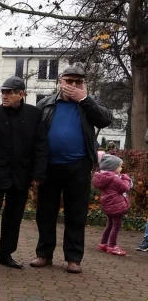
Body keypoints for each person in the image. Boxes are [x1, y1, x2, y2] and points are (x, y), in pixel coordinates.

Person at [30, 64, 112, 274]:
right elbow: (36, 136)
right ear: (60, 81)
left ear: (84, 84)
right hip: (49, 166)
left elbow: (105, 118)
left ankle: (73, 258)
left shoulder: (89, 103)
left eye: (78, 82)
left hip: (78, 166)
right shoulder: (45, 103)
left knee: (76, 213)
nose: (73, 85)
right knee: (45, 212)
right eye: (69, 81)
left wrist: (84, 99)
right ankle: (44, 254)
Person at [0, 77, 47, 269]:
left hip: (22, 174)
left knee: (14, 217)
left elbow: (40, 145)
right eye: (3, 92)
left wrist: (38, 174)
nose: (4, 96)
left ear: (21, 94)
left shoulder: (34, 115)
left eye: (9, 92)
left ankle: (5, 254)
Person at [93, 153, 132, 257]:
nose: (120, 168)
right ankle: (112, 245)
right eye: (119, 166)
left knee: (109, 224)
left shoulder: (105, 177)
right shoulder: (114, 178)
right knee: (116, 225)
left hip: (108, 205)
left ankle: (103, 243)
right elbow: (125, 188)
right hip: (116, 206)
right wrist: (126, 178)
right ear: (112, 167)